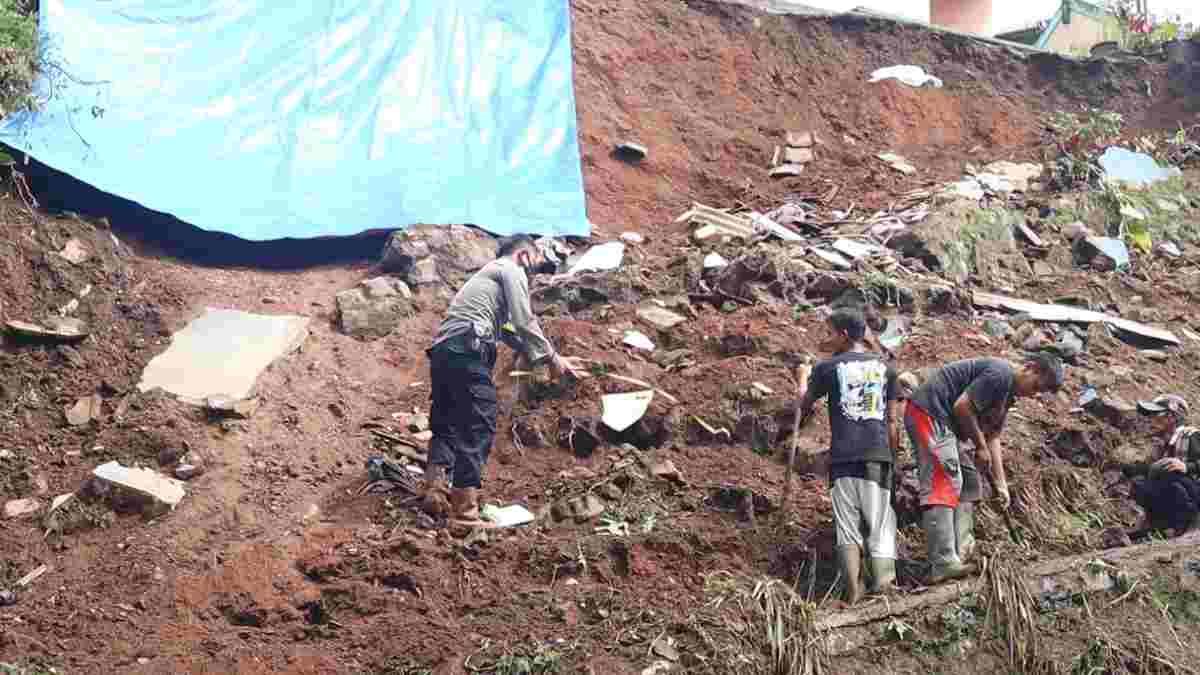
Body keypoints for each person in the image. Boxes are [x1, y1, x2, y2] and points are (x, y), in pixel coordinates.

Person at [419, 234, 587, 527]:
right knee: (480, 419)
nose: (533, 272)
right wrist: (554, 360)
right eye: (534, 262)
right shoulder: (510, 269)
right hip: (468, 349)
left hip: (445, 351)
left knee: (447, 421)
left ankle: (434, 489)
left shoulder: (487, 280)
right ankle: (464, 511)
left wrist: (547, 356)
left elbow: (510, 331)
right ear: (523, 256)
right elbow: (524, 320)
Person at [905, 354, 1064, 584]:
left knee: (969, 481)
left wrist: (1001, 485)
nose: (1034, 394)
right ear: (1029, 367)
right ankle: (942, 562)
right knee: (946, 478)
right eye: (1036, 386)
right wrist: (979, 446)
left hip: (945, 426)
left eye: (1040, 392)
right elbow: (962, 407)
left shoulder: (1007, 395)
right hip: (929, 412)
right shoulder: (1000, 374)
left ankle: (964, 552)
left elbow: (993, 438)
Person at [796, 308, 901, 603]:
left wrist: (803, 378)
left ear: (843, 335)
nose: (826, 339)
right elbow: (892, 421)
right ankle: (884, 584)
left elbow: (802, 405)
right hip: (878, 456)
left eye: (829, 333)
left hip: (843, 458)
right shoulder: (886, 368)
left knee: (847, 524)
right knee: (880, 520)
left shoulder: (828, 369)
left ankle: (854, 591)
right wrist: (892, 456)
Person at [1122, 394, 1200, 538]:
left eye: (1155, 415)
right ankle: (1159, 525)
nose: (1151, 419)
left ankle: (1189, 524)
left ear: (1171, 417)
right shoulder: (1166, 442)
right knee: (1141, 484)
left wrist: (1187, 467)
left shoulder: (1191, 435)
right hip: (1180, 488)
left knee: (1169, 478)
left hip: (1193, 492)